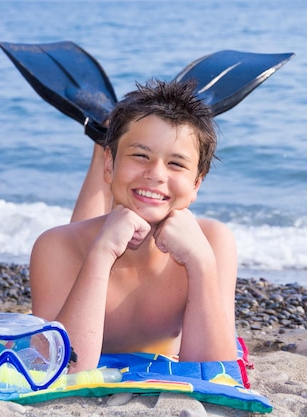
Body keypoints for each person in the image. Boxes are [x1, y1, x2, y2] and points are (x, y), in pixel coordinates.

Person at [29, 79, 238, 373]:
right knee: (87, 232)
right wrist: (101, 253)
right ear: (110, 165)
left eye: (176, 164)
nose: (156, 174)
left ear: (196, 184)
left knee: (114, 205)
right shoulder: (54, 246)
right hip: (87, 236)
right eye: (140, 155)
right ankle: (103, 141)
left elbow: (217, 373)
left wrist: (200, 263)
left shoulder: (214, 242)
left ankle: (109, 137)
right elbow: (60, 369)